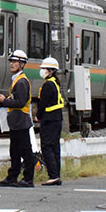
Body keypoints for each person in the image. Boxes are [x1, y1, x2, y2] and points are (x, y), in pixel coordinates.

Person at [0, 49, 37, 188]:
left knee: (25, 150)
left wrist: (4, 101)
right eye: (11, 61)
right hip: (16, 121)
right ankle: (12, 177)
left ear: (22, 64)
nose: (12, 64)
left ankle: (28, 179)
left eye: (15, 62)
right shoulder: (17, 80)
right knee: (15, 151)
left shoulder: (21, 82)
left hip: (21, 121)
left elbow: (20, 102)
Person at [36, 56, 64, 186]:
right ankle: (56, 174)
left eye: (44, 69)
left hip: (49, 119)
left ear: (51, 71)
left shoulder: (48, 84)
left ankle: (53, 175)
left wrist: (38, 116)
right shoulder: (55, 83)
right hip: (56, 118)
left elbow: (42, 103)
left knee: (46, 146)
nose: (42, 71)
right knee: (54, 147)